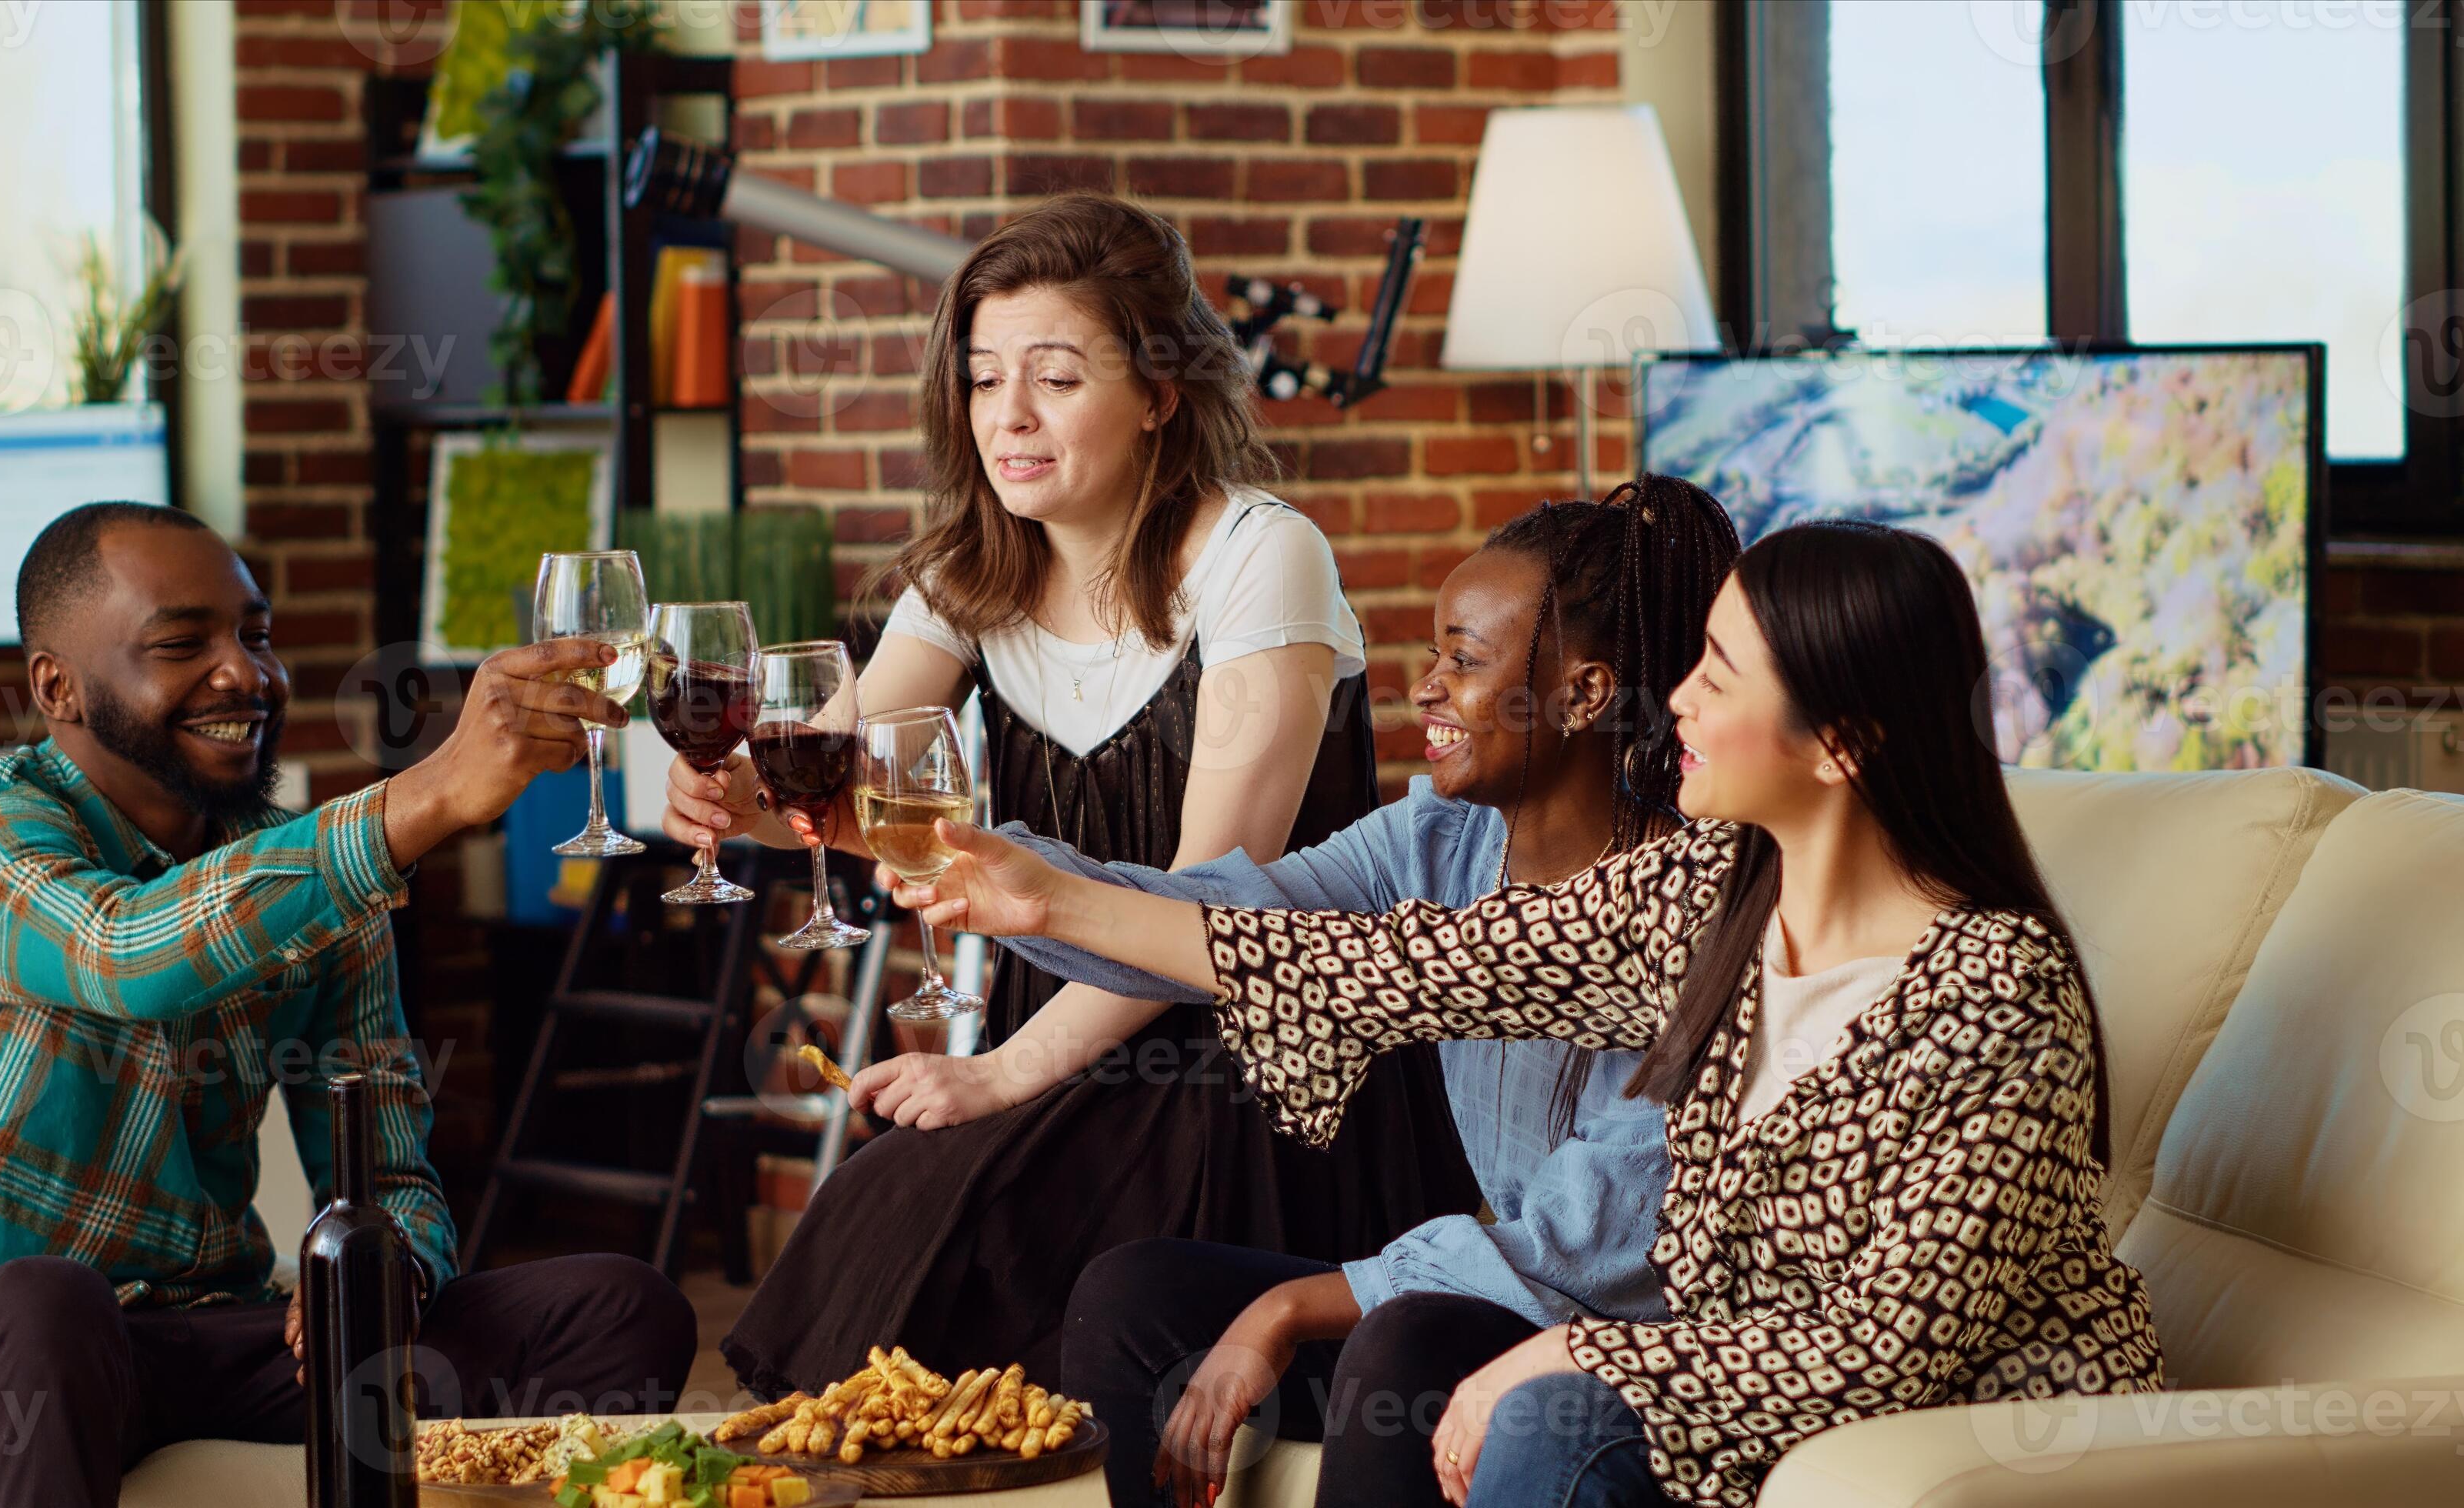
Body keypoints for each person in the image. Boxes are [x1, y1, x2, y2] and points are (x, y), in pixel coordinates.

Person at [889, 520, 2166, 1508]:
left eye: (1719, 674)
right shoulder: (1711, 893)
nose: (1679, 702)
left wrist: (1569, 1358)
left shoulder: (1990, 991)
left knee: (1534, 1406)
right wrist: (1039, 900)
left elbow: (1884, 1347)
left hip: (1959, 1442)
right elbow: (1383, 965)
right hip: (1723, 1406)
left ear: (1839, 742)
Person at [668, 192, 1476, 1395]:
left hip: (1252, 1061)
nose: (1010, 417)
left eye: (1053, 377)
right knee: (891, 1220)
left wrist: (999, 1076)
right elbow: (839, 767)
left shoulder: (1263, 555)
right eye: (984, 379)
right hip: (1057, 1040)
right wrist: (727, 797)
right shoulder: (965, 569)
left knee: (971, 1249)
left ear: (1158, 396)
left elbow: (1217, 898)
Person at [0, 502, 698, 1508]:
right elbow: (130, 954)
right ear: (55, 686)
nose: (245, 673)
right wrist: (425, 796)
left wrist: (396, 1272)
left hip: (206, 1334)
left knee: (615, 1310)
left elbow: (386, 1173)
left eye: (255, 637)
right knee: (48, 1299)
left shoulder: (314, 877)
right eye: (181, 644)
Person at [928, 479, 1741, 1508]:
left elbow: (1600, 1246)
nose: (1428, 687)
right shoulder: (1437, 840)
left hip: (1631, 1349)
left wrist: (1285, 1312)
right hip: (1494, 1300)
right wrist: (1013, 880)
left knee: (1403, 1341)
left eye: (1466, 658)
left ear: (1582, 695)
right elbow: (1221, 922)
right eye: (1437, 654)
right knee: (1137, 1297)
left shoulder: (1691, 903)